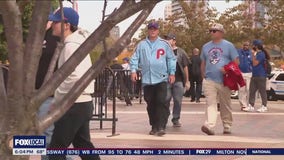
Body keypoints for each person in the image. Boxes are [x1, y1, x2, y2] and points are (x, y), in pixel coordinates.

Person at [48, 7, 100, 160]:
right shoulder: (75, 44)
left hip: (74, 105)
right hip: (81, 104)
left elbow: (75, 77)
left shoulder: (71, 46)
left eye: (56, 22)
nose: (52, 25)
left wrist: (57, 99)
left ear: (66, 25)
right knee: (83, 146)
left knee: (56, 150)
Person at [130, 21, 176, 136]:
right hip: (147, 79)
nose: (153, 31)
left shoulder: (164, 44)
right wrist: (133, 71)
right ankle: (154, 126)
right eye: (151, 28)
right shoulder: (141, 44)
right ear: (148, 30)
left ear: (158, 30)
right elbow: (134, 58)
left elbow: (171, 58)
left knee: (161, 101)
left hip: (161, 78)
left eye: (155, 29)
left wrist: (172, 73)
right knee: (150, 103)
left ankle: (161, 126)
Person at [200, 23, 239, 135]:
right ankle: (210, 125)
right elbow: (203, 62)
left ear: (221, 33)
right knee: (210, 103)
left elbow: (236, 62)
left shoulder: (229, 46)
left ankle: (227, 124)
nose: (212, 33)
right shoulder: (205, 46)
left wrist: (228, 70)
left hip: (225, 80)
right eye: (210, 31)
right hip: (209, 80)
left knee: (225, 104)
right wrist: (203, 75)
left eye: (214, 30)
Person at [165, 33, 190, 127]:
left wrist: (187, 80)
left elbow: (185, 67)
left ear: (174, 41)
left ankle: (176, 118)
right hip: (166, 79)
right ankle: (164, 116)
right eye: (166, 39)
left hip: (178, 80)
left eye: (169, 39)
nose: (167, 41)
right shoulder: (163, 51)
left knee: (178, 100)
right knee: (165, 99)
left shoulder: (181, 52)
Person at [245, 39, 270, 112]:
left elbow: (255, 63)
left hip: (261, 75)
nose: (252, 46)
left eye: (253, 45)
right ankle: (251, 105)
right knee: (252, 91)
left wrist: (252, 55)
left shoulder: (261, 54)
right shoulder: (257, 54)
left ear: (256, 46)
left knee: (262, 91)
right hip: (254, 75)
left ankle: (264, 106)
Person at [237, 41, 253, 111]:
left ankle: (248, 104)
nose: (246, 46)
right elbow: (235, 61)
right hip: (241, 73)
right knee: (241, 89)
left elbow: (253, 62)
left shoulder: (251, 53)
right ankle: (243, 105)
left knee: (248, 89)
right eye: (244, 45)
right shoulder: (238, 52)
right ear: (242, 45)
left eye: (247, 45)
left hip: (249, 73)